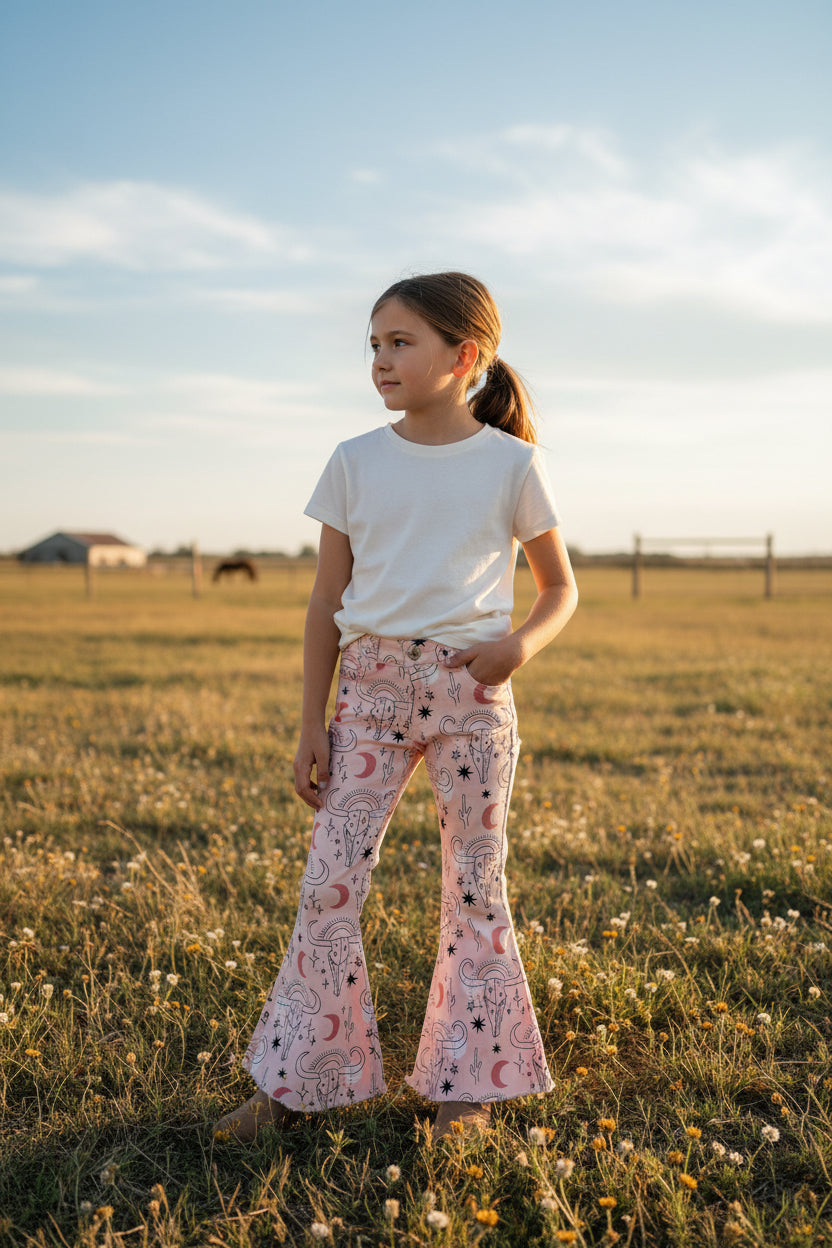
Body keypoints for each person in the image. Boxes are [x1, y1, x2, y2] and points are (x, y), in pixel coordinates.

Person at [214, 271, 578, 1143]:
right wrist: (313, 722)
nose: (379, 359)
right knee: (328, 886)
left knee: (475, 888)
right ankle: (296, 1085)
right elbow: (322, 605)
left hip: (471, 697)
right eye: (373, 344)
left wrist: (517, 646)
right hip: (367, 699)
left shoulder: (512, 465)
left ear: (466, 356)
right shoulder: (354, 461)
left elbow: (560, 588)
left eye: (399, 342)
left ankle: (469, 1087)